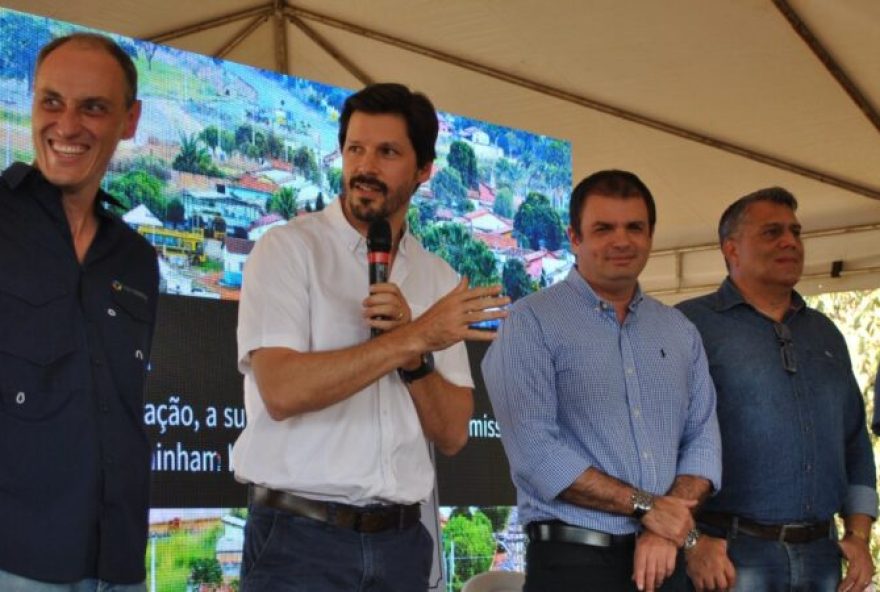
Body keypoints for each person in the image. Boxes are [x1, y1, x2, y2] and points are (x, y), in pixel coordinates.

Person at [231, 83, 508, 591]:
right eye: (355, 149)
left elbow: (451, 434)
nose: (365, 166)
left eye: (387, 152)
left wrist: (414, 355)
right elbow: (282, 391)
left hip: (402, 542)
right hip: (299, 542)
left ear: (424, 170)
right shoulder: (288, 250)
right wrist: (413, 337)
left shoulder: (439, 279)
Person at [482, 170, 722, 592]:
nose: (621, 241)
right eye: (603, 228)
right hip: (574, 565)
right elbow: (536, 455)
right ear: (574, 237)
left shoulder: (680, 331)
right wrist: (648, 508)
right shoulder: (531, 322)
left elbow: (702, 441)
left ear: (651, 234)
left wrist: (662, 526)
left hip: (665, 562)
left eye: (634, 227)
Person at [0, 34, 158, 591]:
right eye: (51, 102)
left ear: (130, 120)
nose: (66, 126)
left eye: (92, 107)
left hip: (118, 565)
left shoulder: (137, 260)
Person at [677, 187, 877, 592]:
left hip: (822, 556)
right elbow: (654, 446)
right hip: (728, 556)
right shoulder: (688, 327)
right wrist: (689, 541)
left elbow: (854, 441)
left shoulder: (825, 333)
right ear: (731, 250)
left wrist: (858, 535)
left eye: (795, 232)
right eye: (772, 232)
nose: (790, 241)